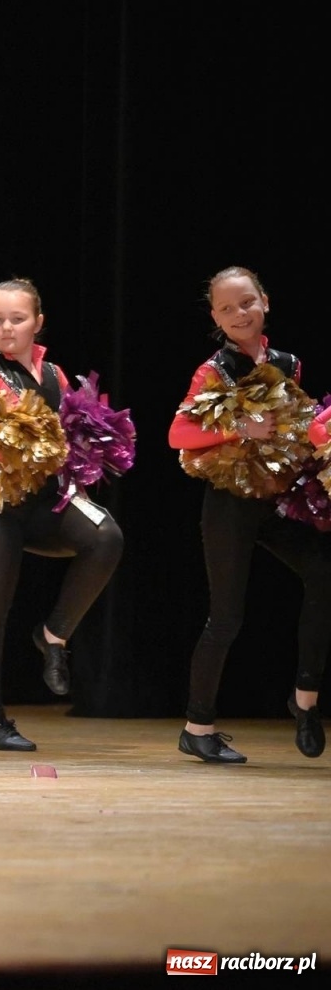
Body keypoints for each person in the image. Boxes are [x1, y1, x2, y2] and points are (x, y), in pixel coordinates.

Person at [0, 278, 124, 751]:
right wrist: (13, 456)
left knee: (105, 537)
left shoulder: (53, 374)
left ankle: (53, 634)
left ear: (38, 322)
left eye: (17, 319)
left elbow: (68, 430)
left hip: (37, 505)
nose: (6, 329)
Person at [168, 266, 330, 764]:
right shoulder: (214, 369)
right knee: (226, 617)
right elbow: (179, 434)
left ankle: (304, 699)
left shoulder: (288, 363)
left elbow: (293, 426)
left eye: (246, 303)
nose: (239, 314)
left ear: (265, 302)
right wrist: (241, 426)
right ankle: (197, 728)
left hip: (277, 501)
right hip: (231, 505)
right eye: (226, 308)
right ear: (215, 316)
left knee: (325, 573)